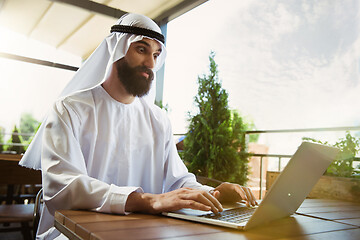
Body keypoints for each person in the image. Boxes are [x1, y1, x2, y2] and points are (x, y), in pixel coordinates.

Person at [19, 13, 257, 239]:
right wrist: (147, 201)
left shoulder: (158, 119)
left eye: (155, 55)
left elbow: (177, 180)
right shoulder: (69, 109)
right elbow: (65, 188)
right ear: (117, 49)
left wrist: (211, 193)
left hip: (142, 230)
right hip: (72, 233)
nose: (150, 63)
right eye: (141, 49)